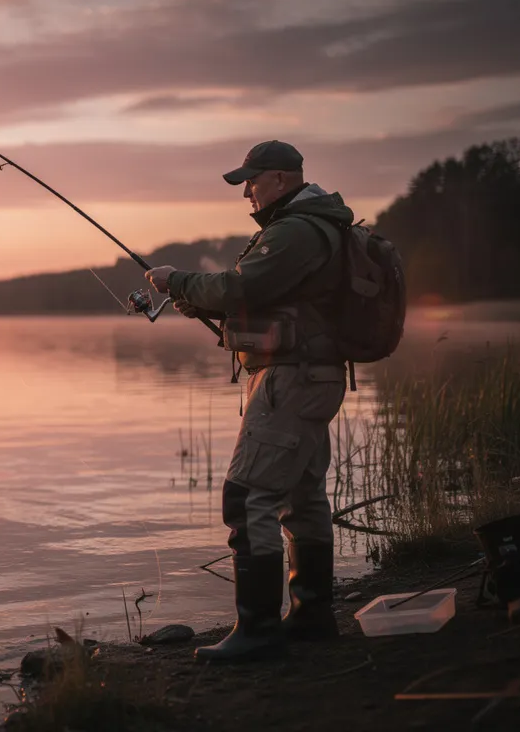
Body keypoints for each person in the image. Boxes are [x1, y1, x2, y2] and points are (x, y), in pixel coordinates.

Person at [144, 140, 352, 663]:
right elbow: (260, 297)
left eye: (251, 183)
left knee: (248, 496)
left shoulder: (297, 231)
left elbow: (243, 286)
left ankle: (258, 631)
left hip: (291, 377)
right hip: (305, 373)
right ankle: (311, 618)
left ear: (281, 179)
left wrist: (178, 281)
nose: (248, 195)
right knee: (300, 496)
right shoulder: (312, 226)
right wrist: (198, 300)